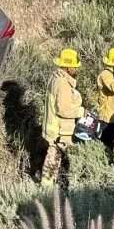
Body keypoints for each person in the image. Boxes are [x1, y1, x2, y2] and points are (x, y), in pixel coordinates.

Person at [40, 48, 85, 187]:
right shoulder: (63, 84)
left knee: (52, 156)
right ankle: (72, 187)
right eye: (74, 67)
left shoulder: (54, 77)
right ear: (67, 67)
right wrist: (82, 111)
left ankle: (46, 185)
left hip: (52, 127)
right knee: (70, 158)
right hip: (61, 130)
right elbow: (65, 110)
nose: (76, 69)